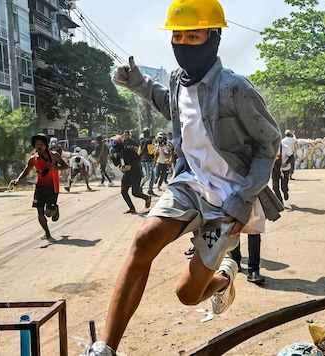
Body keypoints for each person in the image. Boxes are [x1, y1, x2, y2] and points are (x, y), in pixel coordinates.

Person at [91, 1, 283, 354]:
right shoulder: (178, 81)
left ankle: (224, 277)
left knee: (187, 294)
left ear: (214, 37)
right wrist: (137, 82)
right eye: (177, 35)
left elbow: (268, 145)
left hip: (229, 200)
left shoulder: (236, 89)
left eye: (193, 36)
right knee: (145, 238)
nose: (183, 43)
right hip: (190, 183)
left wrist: (243, 200)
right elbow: (173, 106)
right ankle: (105, 348)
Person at [10, 133, 69, 240]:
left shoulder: (54, 155)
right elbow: (26, 171)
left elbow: (65, 166)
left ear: (46, 145)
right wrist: (18, 180)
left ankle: (54, 208)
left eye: (41, 144)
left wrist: (54, 167)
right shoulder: (33, 159)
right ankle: (47, 233)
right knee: (40, 212)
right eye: (37, 144)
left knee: (49, 214)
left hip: (52, 187)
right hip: (40, 188)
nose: (39, 146)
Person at [109, 135, 151, 214]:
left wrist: (130, 165)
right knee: (123, 191)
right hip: (127, 174)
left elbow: (138, 159)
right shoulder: (116, 153)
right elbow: (116, 163)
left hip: (136, 172)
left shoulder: (128, 150)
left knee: (135, 192)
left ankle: (147, 198)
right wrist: (113, 157)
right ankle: (131, 208)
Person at [138, 127, 155, 193]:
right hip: (147, 160)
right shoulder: (149, 141)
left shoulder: (141, 141)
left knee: (152, 176)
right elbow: (151, 151)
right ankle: (138, 186)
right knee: (147, 176)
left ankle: (150, 190)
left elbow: (139, 152)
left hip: (143, 160)